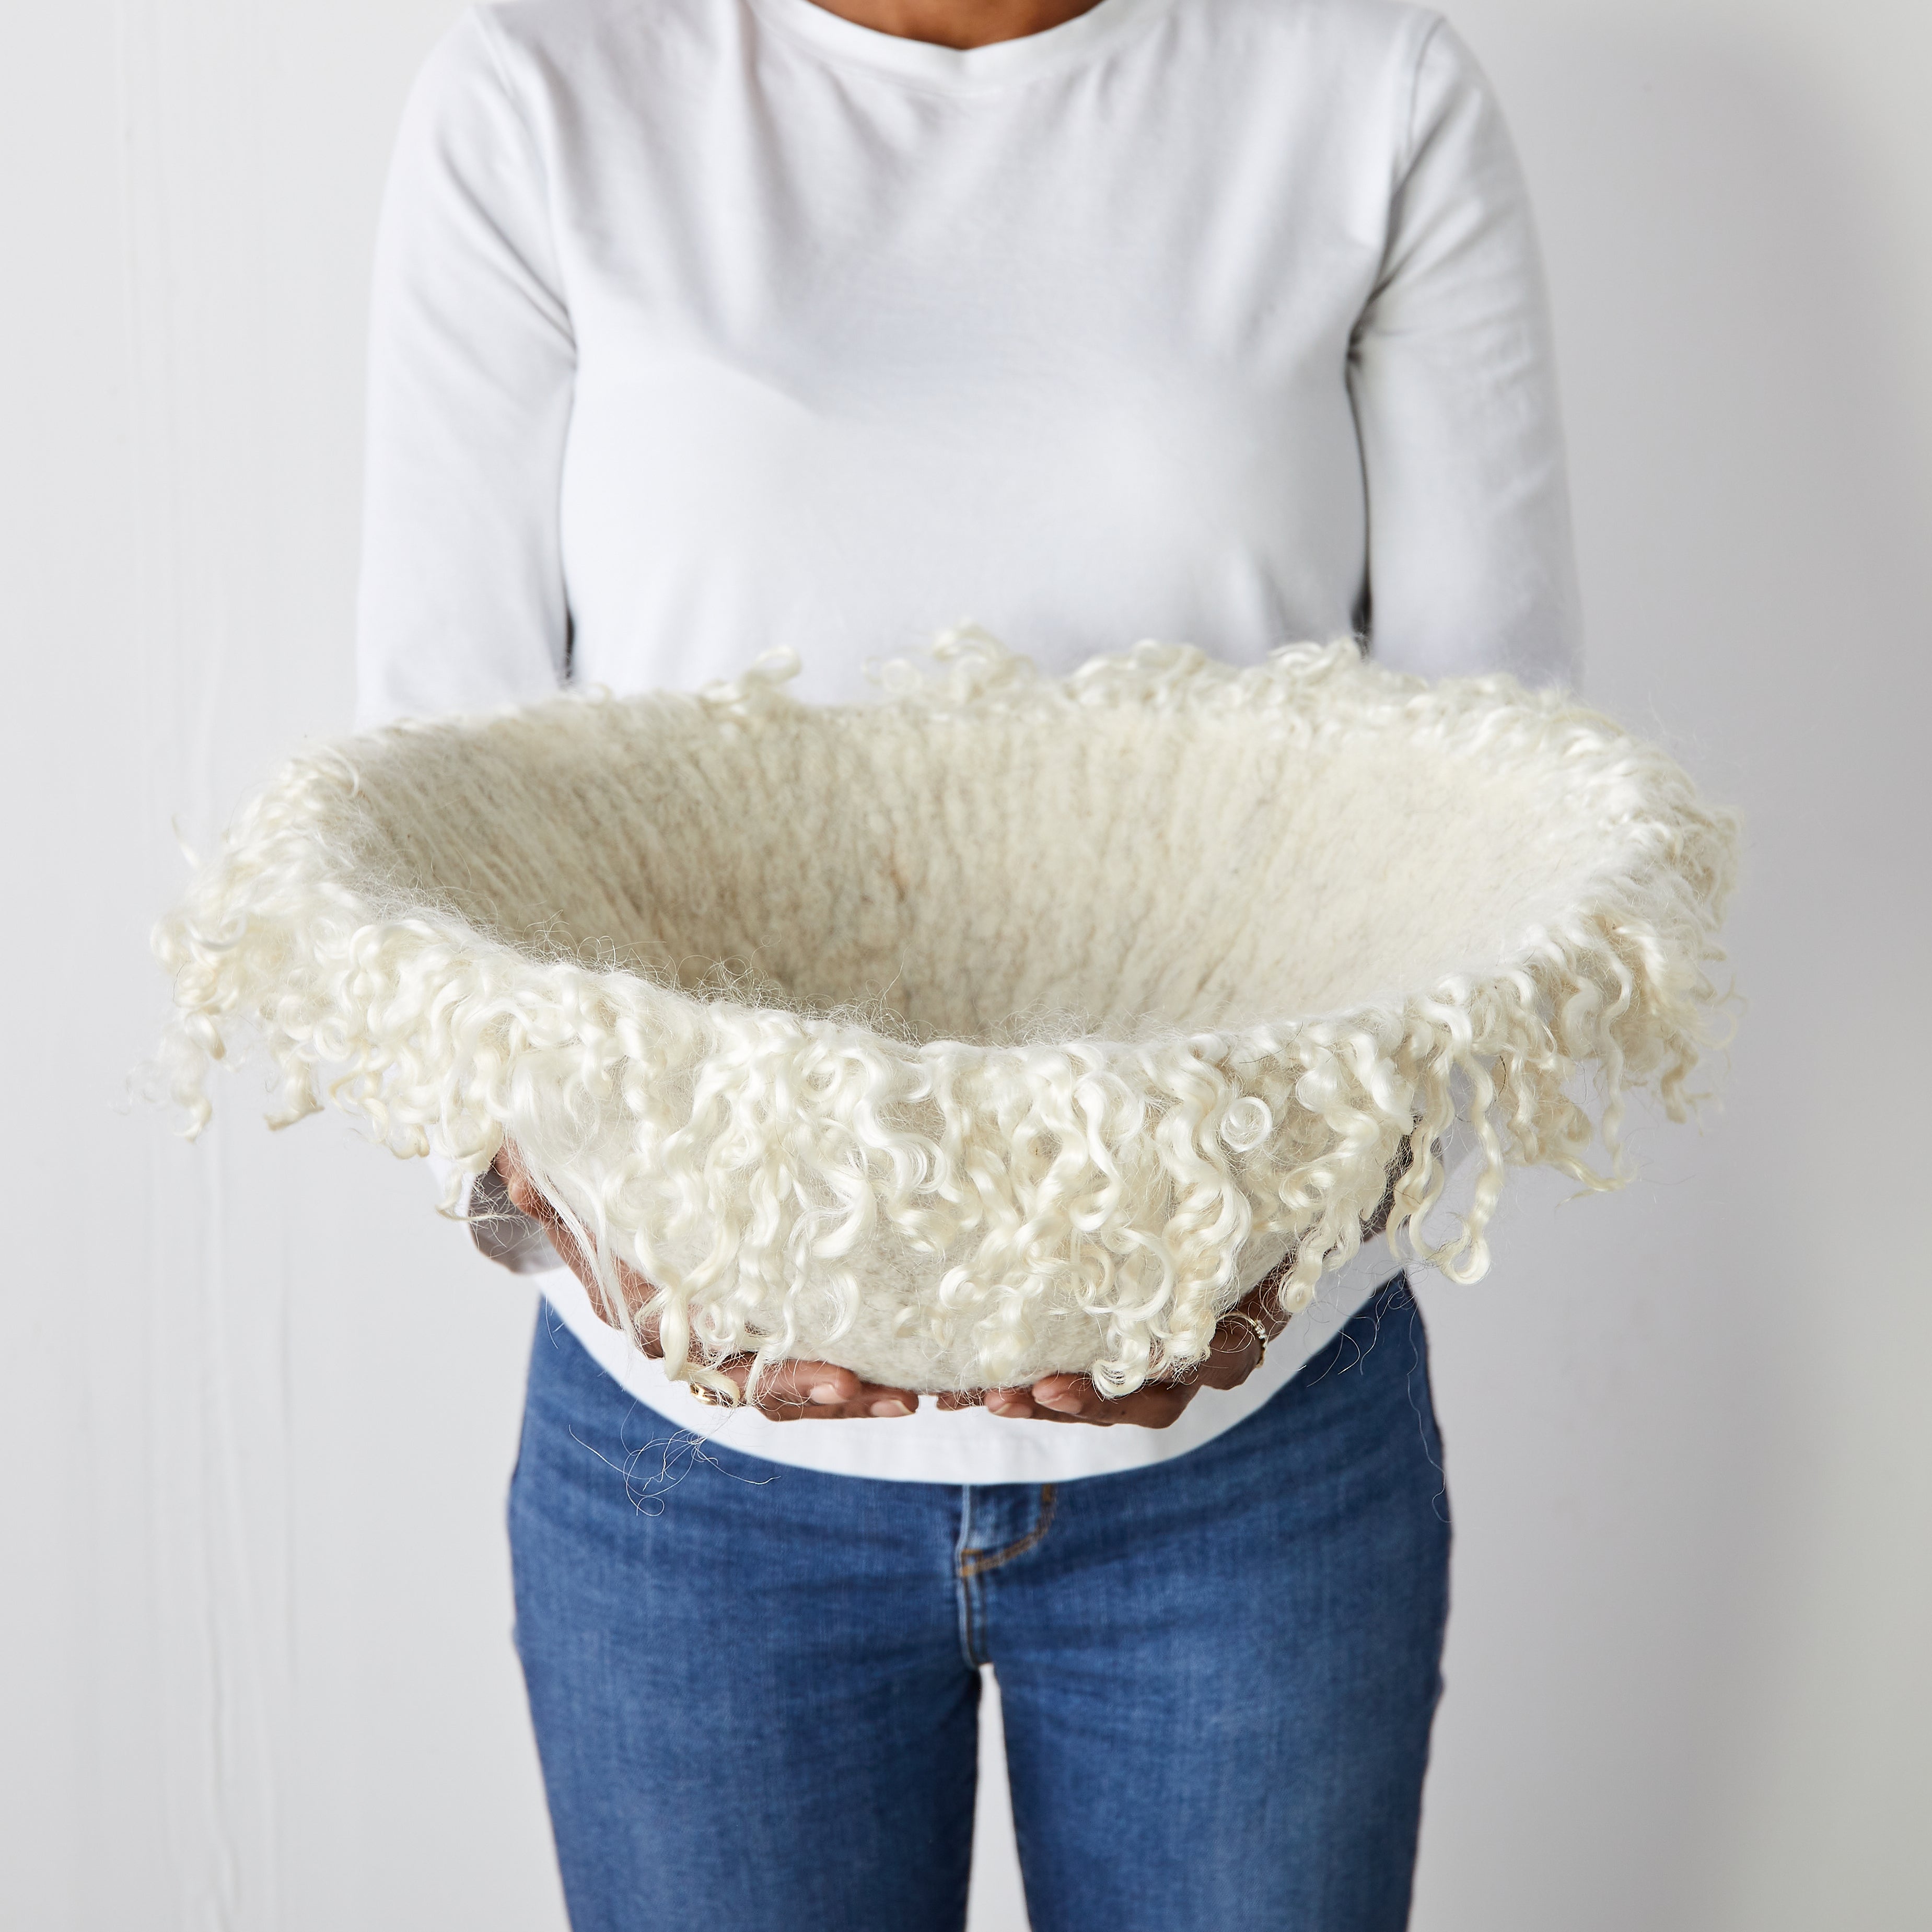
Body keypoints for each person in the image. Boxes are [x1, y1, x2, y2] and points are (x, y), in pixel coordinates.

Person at [356, 0, 1579, 1923]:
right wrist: (602, 1235)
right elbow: (433, 825)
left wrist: (1269, 1263)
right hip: (697, 1461)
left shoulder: (1361, 96)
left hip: (1247, 1439)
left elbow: (1501, 810)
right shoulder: (546, 98)